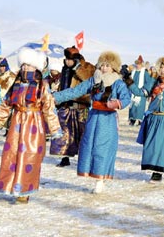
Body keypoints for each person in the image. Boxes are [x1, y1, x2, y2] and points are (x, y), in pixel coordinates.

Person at [52, 51, 131, 192]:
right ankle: (92, 172)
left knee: (102, 148)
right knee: (89, 147)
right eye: (102, 65)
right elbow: (75, 91)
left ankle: (100, 180)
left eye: (108, 65)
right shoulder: (93, 80)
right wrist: (56, 97)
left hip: (108, 120)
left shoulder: (118, 83)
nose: (104, 68)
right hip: (93, 117)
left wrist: (116, 103)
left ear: (113, 67)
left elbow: (126, 99)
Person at [0, 48, 62, 201]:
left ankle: (25, 190)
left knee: (29, 156)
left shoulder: (42, 86)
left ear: (36, 67)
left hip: (34, 123)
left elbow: (48, 107)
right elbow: (6, 105)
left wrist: (55, 129)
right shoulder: (15, 84)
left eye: (29, 66)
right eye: (23, 65)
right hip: (17, 123)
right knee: (11, 156)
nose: (25, 68)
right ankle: (10, 186)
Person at [50, 47, 90, 167]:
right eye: (66, 59)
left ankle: (83, 159)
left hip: (81, 106)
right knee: (65, 134)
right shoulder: (65, 70)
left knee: (83, 134)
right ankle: (65, 157)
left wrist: (78, 69)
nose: (68, 62)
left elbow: (88, 79)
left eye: (70, 59)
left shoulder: (86, 68)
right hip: (65, 106)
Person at [128, 55, 151, 126]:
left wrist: (145, 90)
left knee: (140, 107)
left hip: (141, 92)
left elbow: (148, 82)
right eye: (137, 64)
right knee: (133, 107)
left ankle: (140, 120)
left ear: (142, 64)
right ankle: (132, 120)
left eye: (139, 64)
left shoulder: (145, 73)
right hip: (133, 91)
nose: (138, 65)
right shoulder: (133, 72)